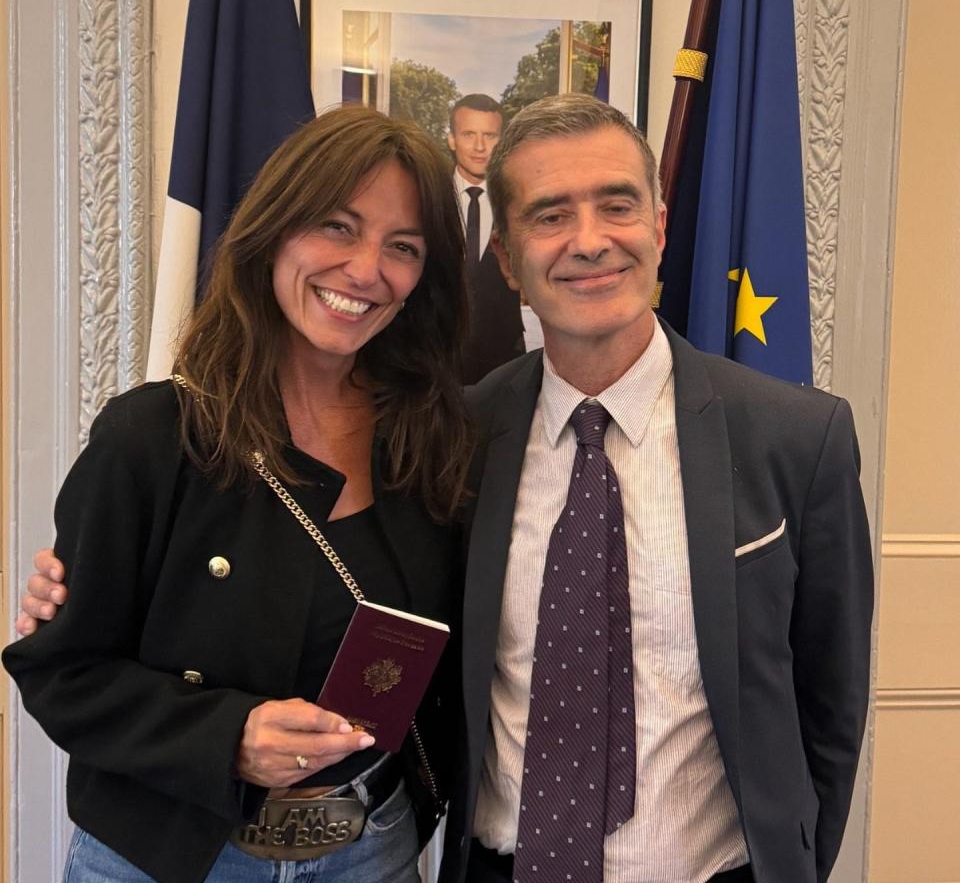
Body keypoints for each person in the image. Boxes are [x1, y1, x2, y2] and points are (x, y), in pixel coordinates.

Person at [19, 94, 874, 883]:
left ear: (657, 223)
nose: (587, 239)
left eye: (616, 203)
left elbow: (828, 705)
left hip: (486, 856)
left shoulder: (434, 441)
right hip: (241, 854)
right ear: (505, 257)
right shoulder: (454, 434)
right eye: (548, 214)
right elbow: (79, 662)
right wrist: (91, 602)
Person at [4, 104, 472, 883]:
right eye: (337, 226)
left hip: (373, 850)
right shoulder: (153, 436)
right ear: (274, 231)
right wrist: (227, 737)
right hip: (162, 858)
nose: (366, 270)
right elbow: (61, 672)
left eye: (403, 247)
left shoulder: (438, 438)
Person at [447, 94, 526, 382]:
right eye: (469, 134)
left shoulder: (521, 201)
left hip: (503, 361)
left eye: (489, 135)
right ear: (452, 139)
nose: (480, 147)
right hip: (434, 357)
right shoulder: (426, 196)